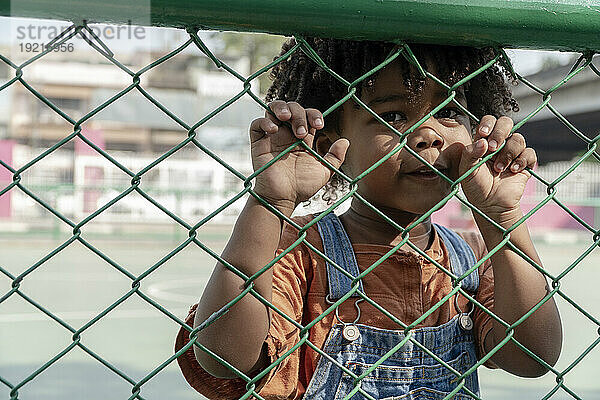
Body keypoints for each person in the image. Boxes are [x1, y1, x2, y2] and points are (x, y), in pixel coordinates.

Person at [175, 37, 562, 399]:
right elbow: (224, 356)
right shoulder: (298, 251)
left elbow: (533, 356)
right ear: (330, 145)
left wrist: (503, 219)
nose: (428, 135)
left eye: (447, 112)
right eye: (393, 115)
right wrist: (271, 202)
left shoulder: (475, 255)